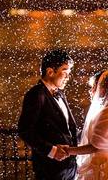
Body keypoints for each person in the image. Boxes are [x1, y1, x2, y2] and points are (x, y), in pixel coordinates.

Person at [18, 49, 80, 180]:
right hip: (49, 169)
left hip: (70, 166)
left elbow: (69, 128)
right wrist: (52, 151)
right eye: (65, 72)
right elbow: (25, 131)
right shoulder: (35, 94)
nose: (68, 77)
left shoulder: (60, 94)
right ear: (50, 72)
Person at [57, 70, 108, 180]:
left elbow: (94, 147)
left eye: (93, 87)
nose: (91, 91)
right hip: (99, 164)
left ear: (103, 88)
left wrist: (68, 150)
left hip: (101, 167)